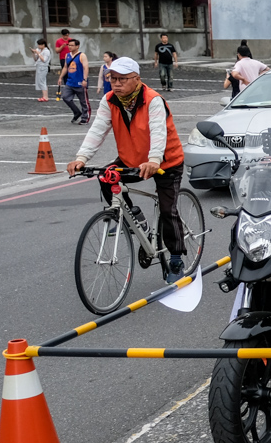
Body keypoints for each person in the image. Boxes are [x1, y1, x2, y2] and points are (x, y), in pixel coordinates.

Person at [64, 58, 189, 283]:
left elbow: (158, 132)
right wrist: (81, 158)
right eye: (113, 79)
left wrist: (153, 160)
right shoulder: (110, 100)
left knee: (168, 209)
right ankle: (136, 219)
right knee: (105, 176)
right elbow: (98, 130)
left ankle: (177, 258)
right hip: (131, 159)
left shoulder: (153, 100)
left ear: (137, 80)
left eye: (123, 79)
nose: (117, 84)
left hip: (164, 162)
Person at [59, 39, 89, 124]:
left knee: (83, 101)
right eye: (69, 45)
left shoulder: (82, 55)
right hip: (70, 82)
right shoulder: (67, 55)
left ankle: (85, 118)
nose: (70, 47)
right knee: (65, 97)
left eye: (72, 45)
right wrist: (60, 77)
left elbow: (86, 67)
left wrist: (85, 79)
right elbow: (65, 67)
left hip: (80, 82)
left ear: (77, 46)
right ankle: (76, 112)